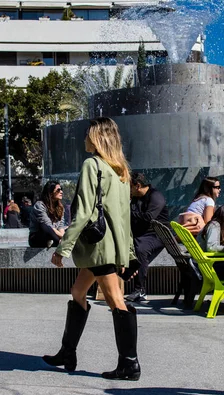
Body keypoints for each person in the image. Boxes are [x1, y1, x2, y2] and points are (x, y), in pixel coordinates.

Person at [44, 117, 140, 381]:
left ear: (97, 138)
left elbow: (84, 212)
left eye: (87, 135)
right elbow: (124, 216)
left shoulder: (92, 165)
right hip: (110, 246)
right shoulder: (120, 170)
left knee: (115, 300)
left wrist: (63, 247)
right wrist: (128, 251)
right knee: (78, 291)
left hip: (98, 247)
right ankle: (67, 352)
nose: (83, 139)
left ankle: (129, 364)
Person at [125, 172, 169, 302]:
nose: (128, 190)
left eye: (130, 187)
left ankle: (140, 290)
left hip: (158, 234)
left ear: (137, 186)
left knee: (141, 249)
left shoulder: (156, 196)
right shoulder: (136, 198)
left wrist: (128, 211)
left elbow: (148, 218)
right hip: (142, 234)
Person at [29, 181, 66, 248]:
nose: (61, 192)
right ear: (50, 193)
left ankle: (55, 241)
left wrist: (64, 237)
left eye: (61, 189)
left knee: (72, 228)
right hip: (38, 237)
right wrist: (65, 239)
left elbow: (61, 226)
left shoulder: (60, 207)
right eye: (58, 190)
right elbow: (48, 226)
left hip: (56, 235)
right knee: (45, 226)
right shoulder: (40, 205)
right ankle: (57, 241)